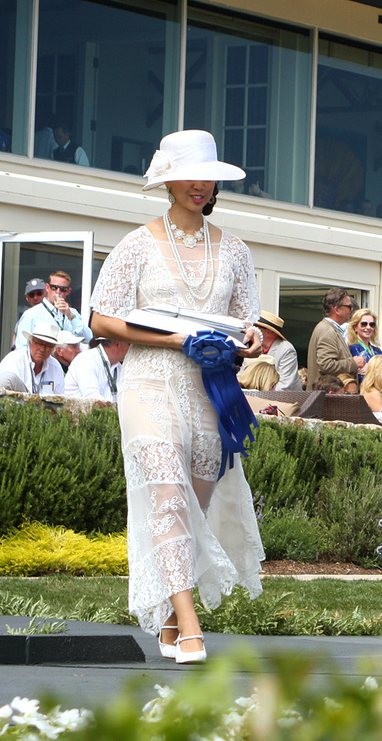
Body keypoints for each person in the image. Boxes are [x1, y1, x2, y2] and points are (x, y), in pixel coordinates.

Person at [87, 128, 264, 664]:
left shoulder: (234, 249)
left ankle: (169, 618)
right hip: (149, 382)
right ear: (167, 180)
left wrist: (250, 339)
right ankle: (189, 626)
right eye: (188, 176)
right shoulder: (137, 243)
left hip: (208, 389)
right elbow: (99, 318)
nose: (198, 186)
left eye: (206, 178)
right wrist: (171, 339)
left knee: (196, 504)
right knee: (166, 495)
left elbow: (246, 323)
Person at [13, 269, 90, 349]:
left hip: (69, 360)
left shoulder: (72, 312)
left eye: (63, 289)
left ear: (68, 291)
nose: (58, 292)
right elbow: (22, 347)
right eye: (54, 287)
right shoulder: (32, 314)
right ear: (47, 287)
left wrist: (71, 316)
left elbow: (88, 339)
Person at [307, 287, 360, 384]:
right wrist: (353, 363)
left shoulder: (330, 329)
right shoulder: (327, 331)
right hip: (327, 395)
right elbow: (326, 365)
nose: (351, 309)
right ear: (337, 309)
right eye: (349, 306)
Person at [0, 325, 66, 394]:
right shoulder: (15, 360)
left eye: (48, 345)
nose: (42, 349)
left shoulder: (56, 367)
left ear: (53, 349)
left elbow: (60, 399)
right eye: (39, 343)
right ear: (30, 342)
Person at [63, 336, 129, 402]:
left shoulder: (119, 367)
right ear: (117, 343)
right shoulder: (86, 359)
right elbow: (93, 399)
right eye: (129, 344)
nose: (132, 349)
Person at [253, 311, 301, 391]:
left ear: (269, 331)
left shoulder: (286, 350)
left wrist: (262, 399)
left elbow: (284, 386)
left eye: (256, 327)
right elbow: (243, 376)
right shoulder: (253, 346)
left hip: (284, 400)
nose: (252, 330)